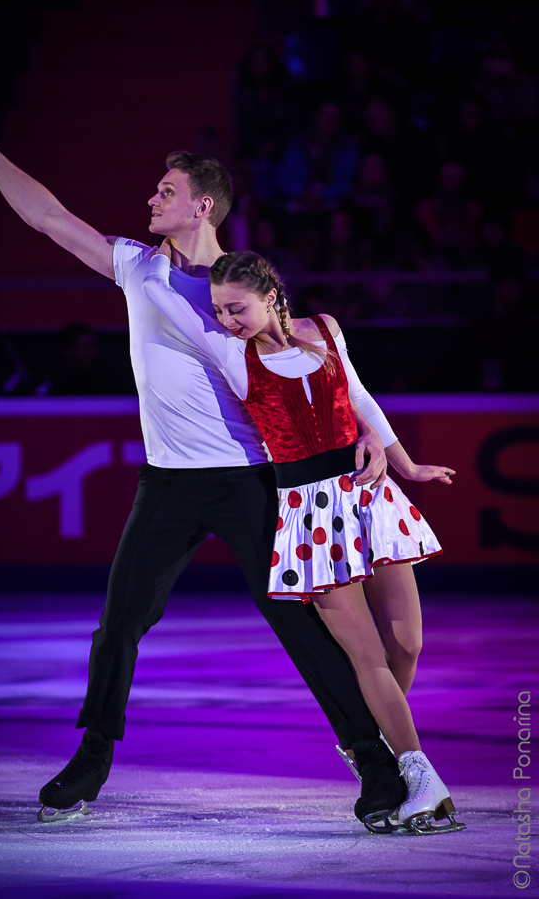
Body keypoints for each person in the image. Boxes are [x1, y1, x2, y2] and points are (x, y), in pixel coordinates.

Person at [0, 134, 404, 829]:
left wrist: (375, 442)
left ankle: (375, 763)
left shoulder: (243, 292)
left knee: (297, 622)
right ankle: (92, 758)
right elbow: (49, 218)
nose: (151, 198)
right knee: (119, 623)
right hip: (167, 484)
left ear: (203, 207)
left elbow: (319, 366)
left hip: (249, 480)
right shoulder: (136, 268)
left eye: (166, 192)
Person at [143, 245, 465, 835]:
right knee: (364, 655)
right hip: (309, 513)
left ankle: (388, 755)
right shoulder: (232, 354)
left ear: (271, 296)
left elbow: (360, 398)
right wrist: (164, 255)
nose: (226, 320)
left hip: (367, 495)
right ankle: (420, 776)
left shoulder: (325, 329)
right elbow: (158, 298)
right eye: (218, 310)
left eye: (236, 307)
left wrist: (406, 464)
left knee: (407, 645)